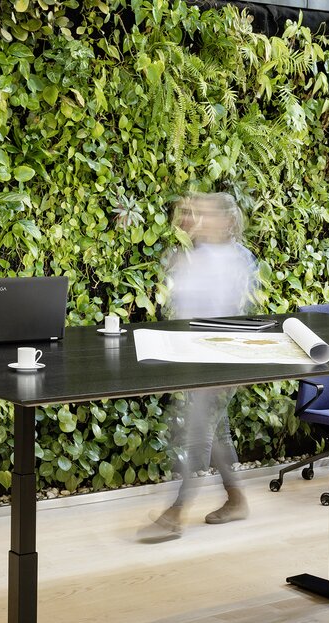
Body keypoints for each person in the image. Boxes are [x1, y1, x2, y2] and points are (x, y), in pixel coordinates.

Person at [137, 192, 258, 543]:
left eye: (200, 214)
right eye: (190, 214)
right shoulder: (200, 256)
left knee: (198, 433)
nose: (192, 220)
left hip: (218, 360)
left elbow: (220, 314)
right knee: (215, 431)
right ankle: (236, 499)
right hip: (197, 355)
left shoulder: (233, 259)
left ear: (224, 221)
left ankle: (175, 514)